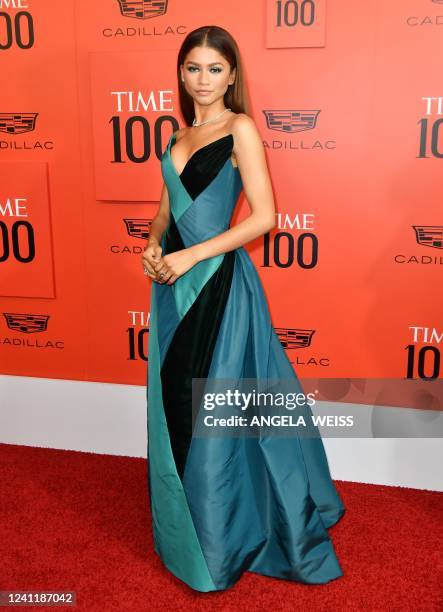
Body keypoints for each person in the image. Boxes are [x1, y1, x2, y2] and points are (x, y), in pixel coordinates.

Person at [142, 25, 345, 593]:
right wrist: (154, 247)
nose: (202, 80)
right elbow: (162, 211)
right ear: (181, 73)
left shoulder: (241, 129)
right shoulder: (177, 135)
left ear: (232, 75)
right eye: (192, 68)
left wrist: (191, 258)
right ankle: (185, 529)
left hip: (216, 286)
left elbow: (264, 218)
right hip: (170, 287)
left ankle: (220, 542)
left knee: (210, 409)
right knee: (175, 406)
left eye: (213, 69)